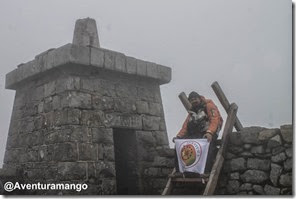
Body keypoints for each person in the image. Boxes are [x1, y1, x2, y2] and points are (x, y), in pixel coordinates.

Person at [173, 91, 223, 174]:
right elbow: (185, 126)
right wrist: (178, 137)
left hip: (209, 132)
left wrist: (210, 132)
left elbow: (215, 120)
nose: (194, 101)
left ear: (199, 98)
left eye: (195, 99)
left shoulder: (209, 106)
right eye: (191, 100)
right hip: (197, 134)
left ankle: (205, 171)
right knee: (181, 145)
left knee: (207, 146)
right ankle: (181, 171)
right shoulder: (192, 112)